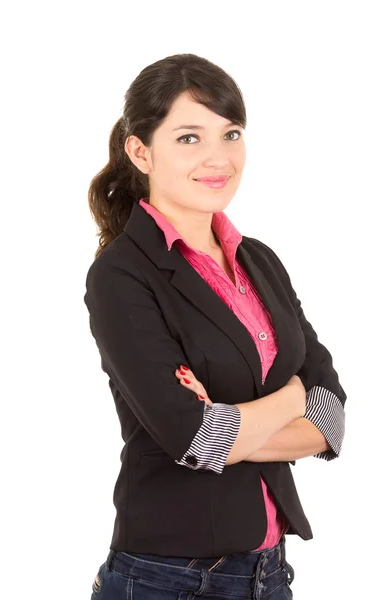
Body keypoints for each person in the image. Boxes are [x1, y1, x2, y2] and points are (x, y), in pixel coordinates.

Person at [84, 52, 347, 599]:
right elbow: (197, 440)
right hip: (166, 578)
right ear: (140, 151)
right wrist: (292, 397)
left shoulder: (259, 261)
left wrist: (228, 428)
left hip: (269, 571)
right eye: (188, 138)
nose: (218, 157)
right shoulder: (121, 275)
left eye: (231, 134)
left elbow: (332, 422)